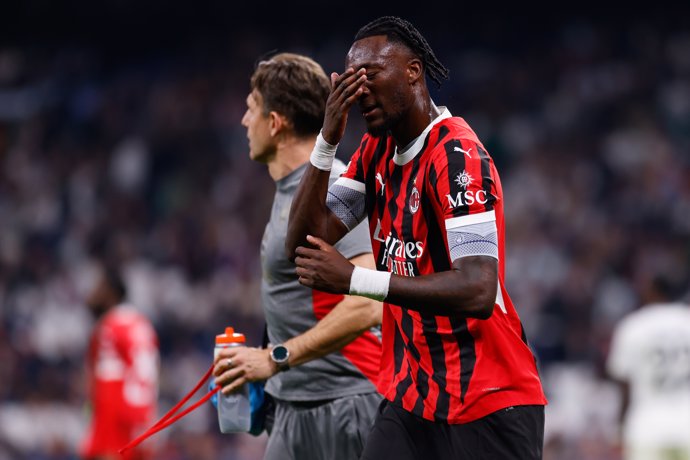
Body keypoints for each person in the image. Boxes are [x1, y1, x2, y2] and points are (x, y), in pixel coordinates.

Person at [285, 16, 547, 459]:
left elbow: (479, 289)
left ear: (413, 72)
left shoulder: (458, 158)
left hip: (488, 400)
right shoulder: (376, 152)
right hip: (412, 399)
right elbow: (306, 244)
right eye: (350, 81)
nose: (359, 91)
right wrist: (327, 139)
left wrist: (355, 280)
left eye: (370, 76)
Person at [212, 53, 383, 460]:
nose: (243, 121)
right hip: (293, 408)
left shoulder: (335, 185)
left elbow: (368, 303)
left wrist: (274, 358)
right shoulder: (289, 192)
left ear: (275, 123)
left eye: (251, 109)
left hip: (346, 404)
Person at [606, 275, 690, 460]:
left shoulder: (634, 326)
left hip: (647, 426)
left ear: (652, 291)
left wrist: (619, 428)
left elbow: (624, 385)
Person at [81, 264, 159, 460]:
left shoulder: (109, 326)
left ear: (110, 292)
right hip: (142, 412)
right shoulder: (140, 322)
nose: (91, 295)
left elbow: (102, 376)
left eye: (98, 288)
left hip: (114, 408)